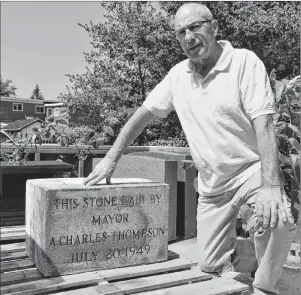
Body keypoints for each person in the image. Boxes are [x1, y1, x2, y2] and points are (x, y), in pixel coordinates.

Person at [84, 3, 296, 295]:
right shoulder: (177, 76)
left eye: (195, 27)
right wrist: (110, 159)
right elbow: (142, 116)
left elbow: (265, 125)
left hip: (250, 171)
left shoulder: (244, 63)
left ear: (214, 27)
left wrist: (271, 185)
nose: (188, 37)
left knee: (278, 218)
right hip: (212, 186)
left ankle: (265, 287)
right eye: (181, 32)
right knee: (209, 263)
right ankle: (262, 259)